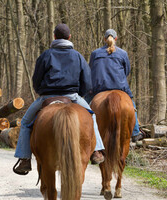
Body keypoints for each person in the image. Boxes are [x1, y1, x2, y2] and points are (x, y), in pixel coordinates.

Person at [13, 23, 105, 175]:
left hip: (48, 97)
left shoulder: (46, 55)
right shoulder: (78, 56)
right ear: (69, 37)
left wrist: (42, 92)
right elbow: (87, 82)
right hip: (72, 96)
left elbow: (36, 80)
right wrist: (78, 94)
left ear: (54, 37)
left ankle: (24, 159)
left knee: (25, 123)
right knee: (92, 116)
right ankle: (96, 151)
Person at [86, 29, 144, 143]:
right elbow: (127, 71)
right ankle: (135, 132)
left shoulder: (95, 53)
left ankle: (84, 130)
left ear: (104, 39)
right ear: (116, 39)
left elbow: (91, 69)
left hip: (99, 88)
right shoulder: (122, 53)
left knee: (85, 106)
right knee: (131, 105)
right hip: (120, 87)